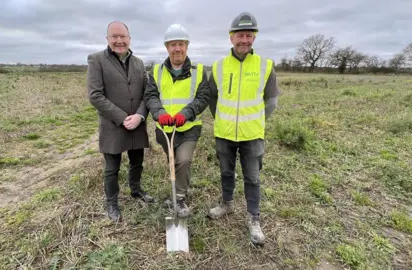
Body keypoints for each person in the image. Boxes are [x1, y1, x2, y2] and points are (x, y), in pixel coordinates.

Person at [207, 12, 280, 245]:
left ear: (254, 38)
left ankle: (254, 218)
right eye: (240, 35)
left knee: (252, 178)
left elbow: (271, 101)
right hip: (224, 133)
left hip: (252, 135)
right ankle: (226, 204)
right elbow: (212, 98)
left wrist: (256, 121)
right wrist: (222, 120)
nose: (244, 40)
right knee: (226, 173)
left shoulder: (265, 66)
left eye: (249, 35)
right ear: (231, 37)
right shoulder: (218, 67)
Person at [87, 21, 155, 222]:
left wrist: (140, 115)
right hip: (113, 124)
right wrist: (121, 117)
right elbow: (95, 96)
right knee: (112, 168)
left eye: (122, 36)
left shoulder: (139, 63)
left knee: (137, 162)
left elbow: (147, 93)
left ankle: (136, 190)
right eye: (114, 36)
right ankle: (112, 203)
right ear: (107, 39)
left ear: (129, 38)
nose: (119, 41)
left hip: (137, 123)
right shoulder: (96, 60)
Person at [144, 24, 210, 218]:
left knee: (183, 159)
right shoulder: (155, 71)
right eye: (173, 44)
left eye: (181, 44)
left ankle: (179, 199)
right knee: (173, 162)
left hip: (189, 127)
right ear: (167, 47)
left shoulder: (198, 71)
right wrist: (159, 113)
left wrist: (186, 113)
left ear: (187, 46)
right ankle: (180, 189)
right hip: (164, 129)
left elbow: (203, 97)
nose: (177, 48)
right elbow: (150, 96)